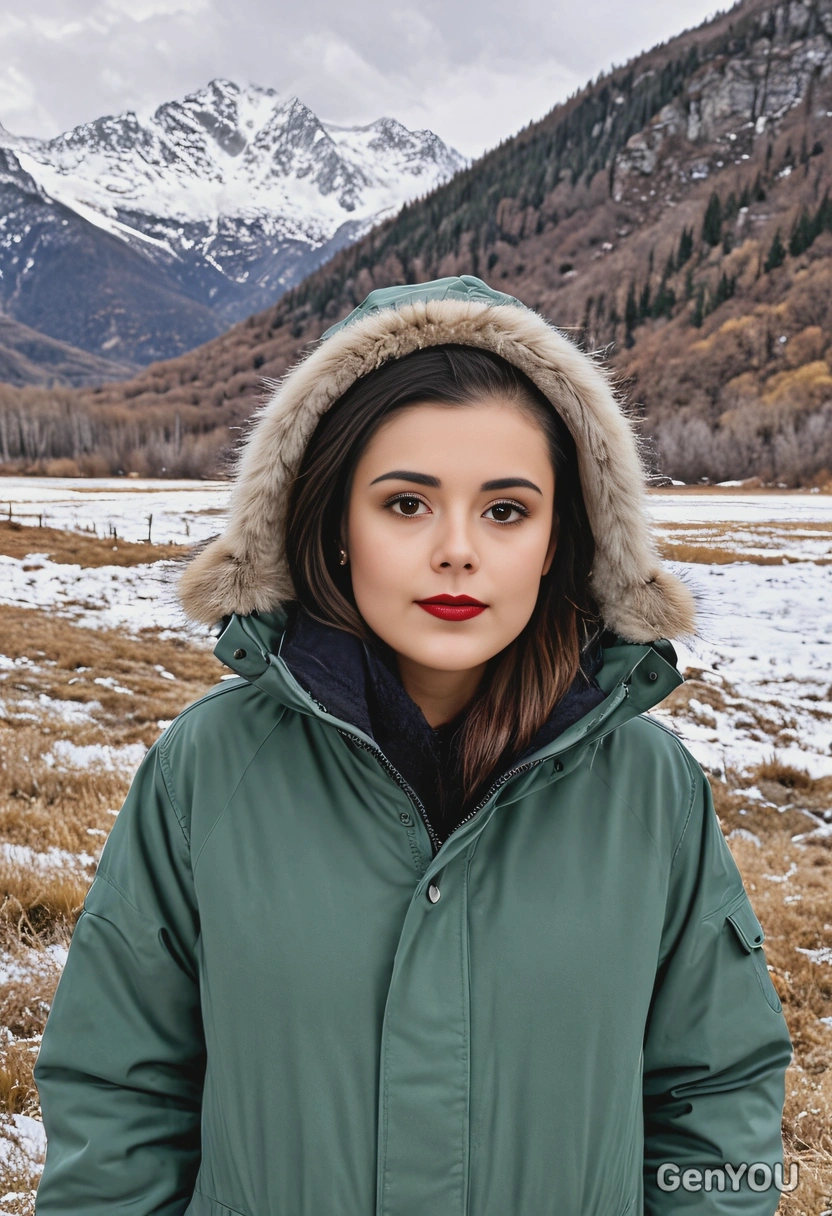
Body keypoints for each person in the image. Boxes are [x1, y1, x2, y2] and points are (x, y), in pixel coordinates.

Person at [33, 275, 792, 1216]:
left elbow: (718, 1100)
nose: (458, 552)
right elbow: (120, 1097)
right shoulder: (209, 770)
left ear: (561, 538)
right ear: (334, 524)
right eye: (405, 504)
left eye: (506, 510)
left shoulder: (649, 791)